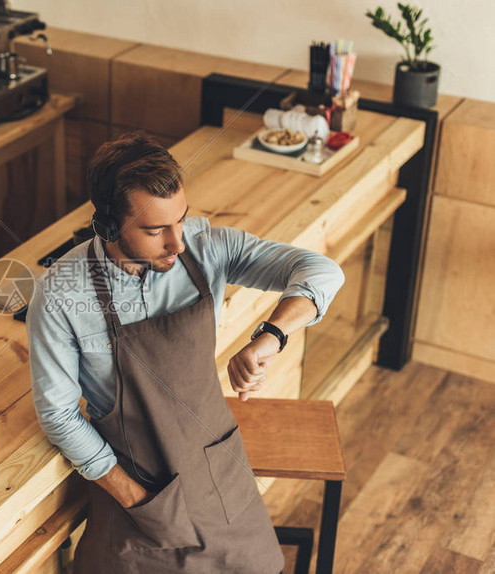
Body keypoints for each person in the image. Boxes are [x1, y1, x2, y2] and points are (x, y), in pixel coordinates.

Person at [26, 131, 345, 573]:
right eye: (156, 230)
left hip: (218, 475)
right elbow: (58, 415)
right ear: (108, 226)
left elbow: (321, 271)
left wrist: (271, 336)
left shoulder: (203, 246)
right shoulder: (61, 295)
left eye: (181, 220)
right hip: (138, 496)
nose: (178, 243)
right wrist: (136, 499)